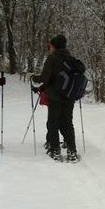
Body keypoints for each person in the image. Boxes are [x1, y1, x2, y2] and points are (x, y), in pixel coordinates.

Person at [31, 34, 79, 162]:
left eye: (50, 46)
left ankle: (55, 151)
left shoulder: (52, 59)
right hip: (69, 97)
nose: (49, 48)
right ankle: (72, 152)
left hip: (55, 97)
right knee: (67, 123)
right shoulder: (70, 58)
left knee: (53, 123)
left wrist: (33, 77)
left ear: (54, 46)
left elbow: (45, 78)